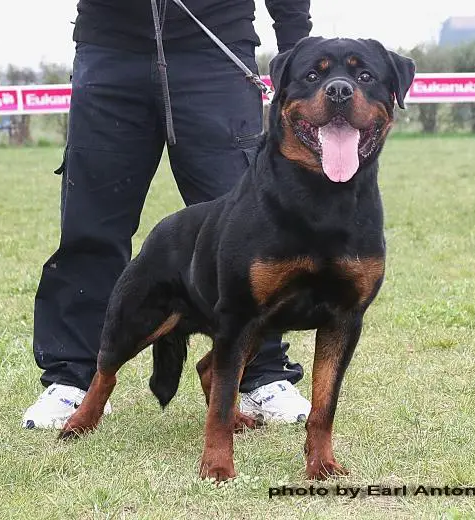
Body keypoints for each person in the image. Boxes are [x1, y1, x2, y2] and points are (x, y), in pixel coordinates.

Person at [22, 0, 313, 429]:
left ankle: (260, 374)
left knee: (251, 234)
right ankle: (71, 379)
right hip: (109, 47)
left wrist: (297, 52)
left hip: (216, 44)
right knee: (90, 227)